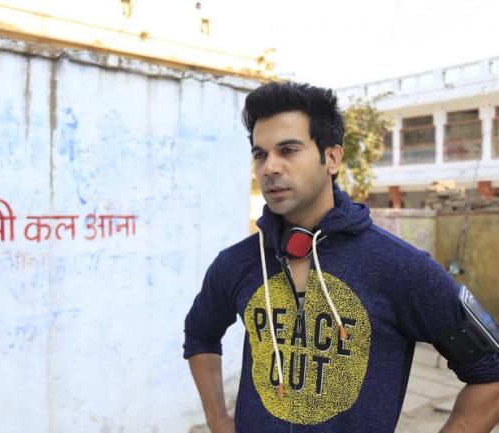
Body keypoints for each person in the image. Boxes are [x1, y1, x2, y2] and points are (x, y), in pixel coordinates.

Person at [183, 81, 499, 433]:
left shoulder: (400, 267)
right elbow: (199, 334)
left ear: (331, 158)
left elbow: (491, 374)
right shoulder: (236, 263)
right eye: (260, 154)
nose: (269, 167)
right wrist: (218, 420)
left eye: (288, 150)